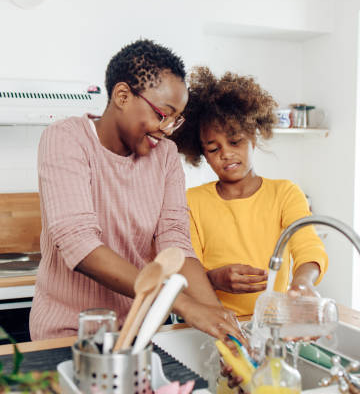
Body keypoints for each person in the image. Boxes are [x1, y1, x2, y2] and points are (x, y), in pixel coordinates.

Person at [29, 40, 243, 344]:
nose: (167, 128)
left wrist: (221, 329)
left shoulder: (166, 155)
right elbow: (78, 242)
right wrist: (181, 304)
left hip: (138, 334)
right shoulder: (65, 139)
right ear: (122, 95)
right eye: (161, 114)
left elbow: (175, 243)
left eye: (176, 119)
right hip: (68, 334)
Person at [171, 66, 328, 317]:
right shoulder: (192, 201)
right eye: (213, 149)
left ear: (253, 138)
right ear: (202, 155)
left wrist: (303, 283)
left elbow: (308, 247)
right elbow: (187, 271)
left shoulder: (285, 193)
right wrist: (214, 279)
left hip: (272, 322)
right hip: (213, 321)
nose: (226, 154)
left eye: (235, 141)